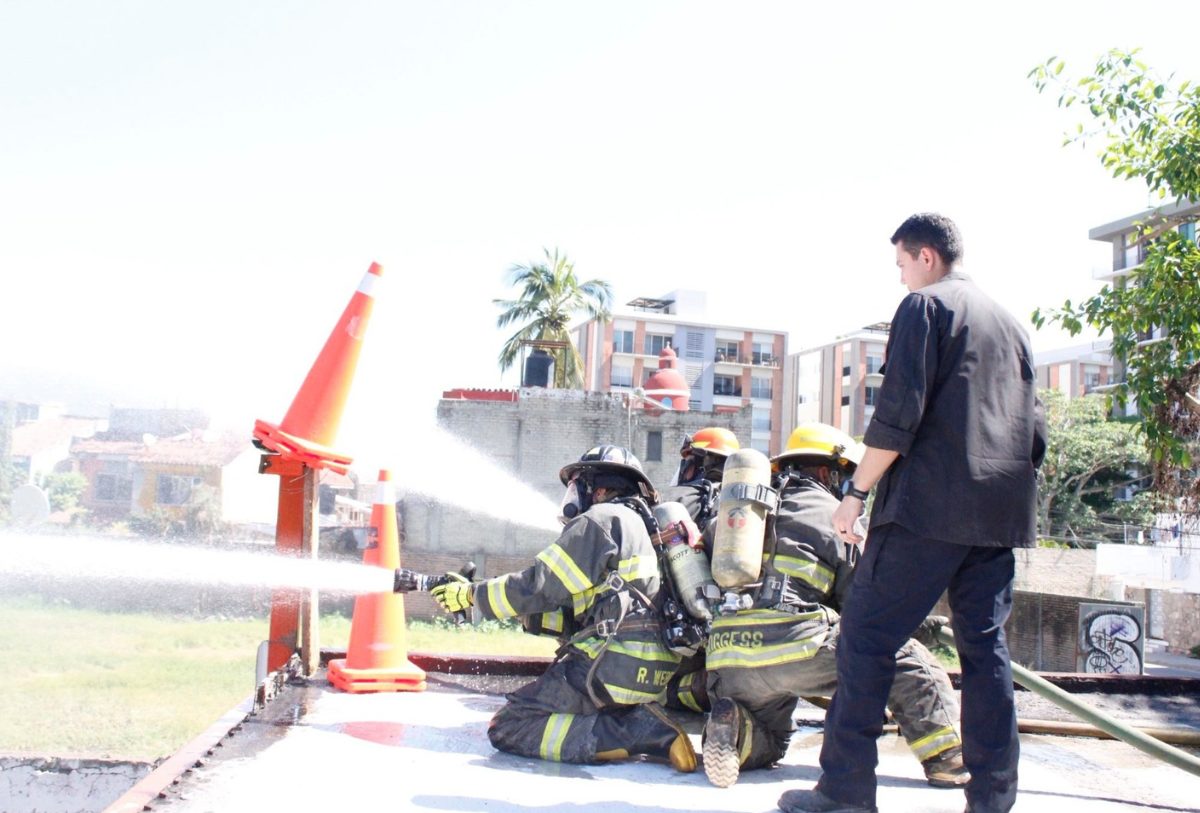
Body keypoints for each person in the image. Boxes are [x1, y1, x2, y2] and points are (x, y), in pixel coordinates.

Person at [779, 213, 1045, 813]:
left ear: (927, 256)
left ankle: (845, 791)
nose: (901, 277)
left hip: (927, 510)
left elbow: (898, 415)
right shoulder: (1013, 326)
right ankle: (993, 800)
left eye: (902, 264)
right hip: (998, 517)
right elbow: (1035, 435)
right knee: (985, 652)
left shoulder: (925, 307)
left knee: (865, 639)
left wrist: (855, 493)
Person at [701, 422, 967, 790]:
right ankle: (948, 759)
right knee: (907, 660)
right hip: (795, 648)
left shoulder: (738, 515)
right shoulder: (835, 515)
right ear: (829, 472)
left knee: (771, 736)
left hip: (727, 662)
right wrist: (918, 629)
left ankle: (736, 728)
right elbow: (865, 609)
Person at [429, 444, 697, 772]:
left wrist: (471, 595)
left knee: (511, 725)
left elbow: (539, 585)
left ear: (598, 489)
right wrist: (499, 601)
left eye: (576, 485)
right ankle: (632, 723)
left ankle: (636, 732)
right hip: (649, 676)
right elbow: (571, 612)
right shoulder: (647, 529)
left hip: (608, 668)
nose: (573, 496)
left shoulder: (601, 519)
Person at [657, 426, 741, 715]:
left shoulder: (675, 501)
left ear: (696, 462)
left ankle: (692, 690)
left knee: (652, 691)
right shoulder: (747, 510)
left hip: (681, 639)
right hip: (739, 640)